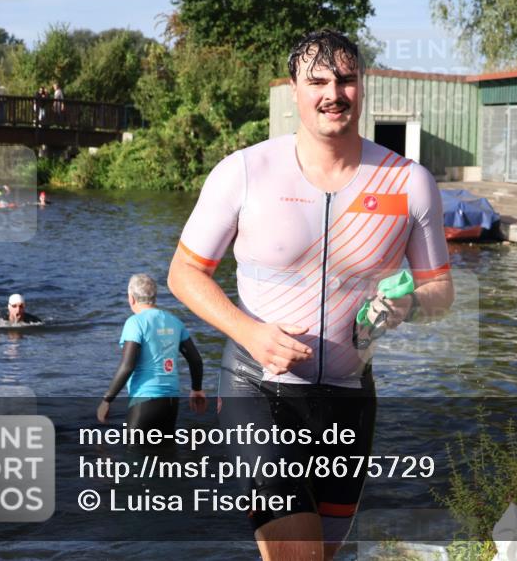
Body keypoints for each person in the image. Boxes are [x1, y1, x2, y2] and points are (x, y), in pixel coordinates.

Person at [168, 29, 454, 560]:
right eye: (317, 80)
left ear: (362, 86)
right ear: (294, 90)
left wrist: (409, 303)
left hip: (349, 395)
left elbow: (440, 290)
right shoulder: (245, 172)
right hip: (258, 385)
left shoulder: (409, 183)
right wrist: (249, 332)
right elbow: (184, 273)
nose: (333, 93)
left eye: (345, 79)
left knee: (324, 552)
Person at [96, 273, 206, 432]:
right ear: (154, 297)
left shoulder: (135, 323)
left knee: (133, 453)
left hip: (144, 401)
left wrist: (107, 400)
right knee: (165, 453)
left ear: (131, 298)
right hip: (171, 402)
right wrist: (196, 389)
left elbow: (128, 366)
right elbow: (195, 360)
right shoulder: (175, 321)